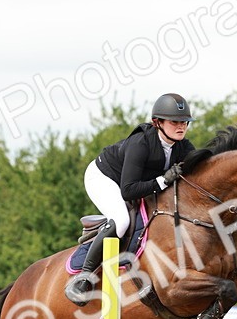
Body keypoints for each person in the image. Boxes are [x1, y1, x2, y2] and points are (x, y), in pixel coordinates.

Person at [64, 93, 197, 305]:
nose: (181, 127)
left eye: (185, 122)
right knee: (122, 220)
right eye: (175, 122)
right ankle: (83, 278)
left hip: (135, 183)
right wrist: (163, 181)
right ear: (157, 123)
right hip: (104, 178)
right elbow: (128, 190)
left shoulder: (183, 146)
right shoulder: (140, 143)